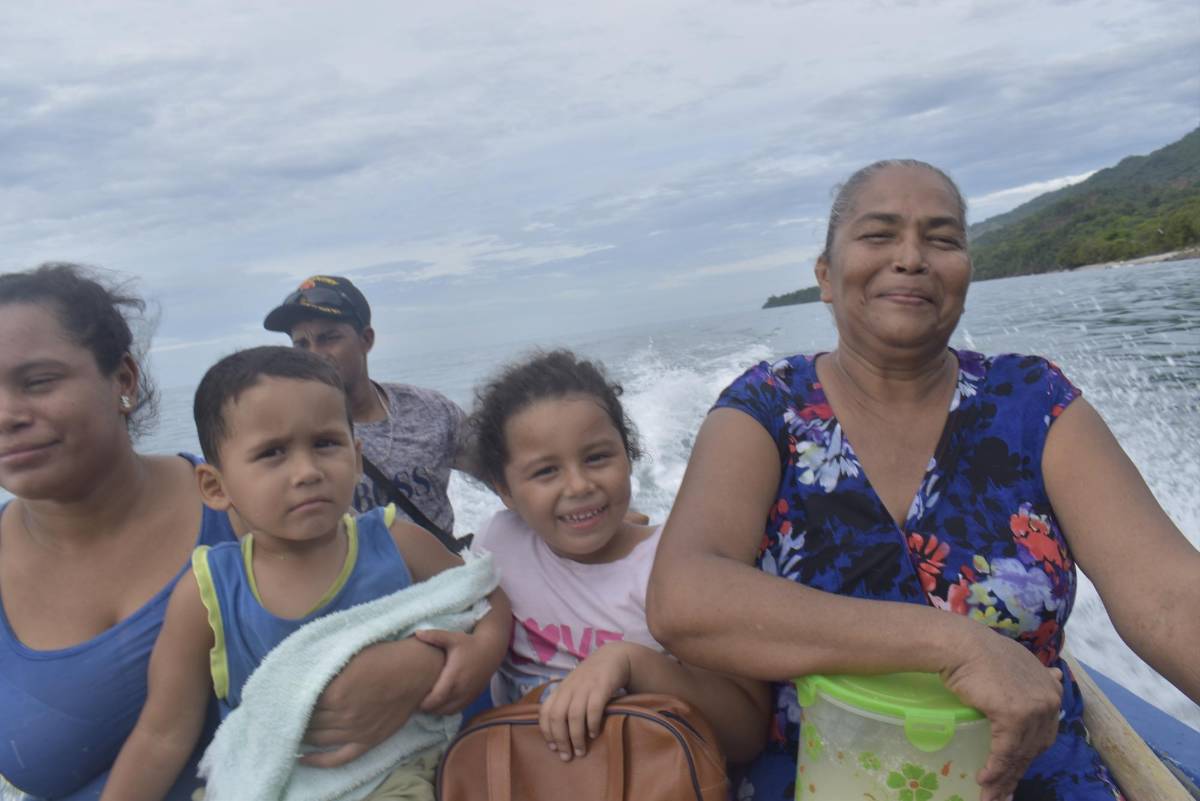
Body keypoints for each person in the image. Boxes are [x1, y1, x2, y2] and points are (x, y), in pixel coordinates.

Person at [645, 160, 1200, 801]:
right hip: (827, 773)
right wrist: (954, 645)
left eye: (942, 239)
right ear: (825, 275)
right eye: (879, 235)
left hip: (1029, 777)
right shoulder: (767, 409)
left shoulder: (1034, 401)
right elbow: (684, 596)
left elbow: (1166, 597)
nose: (912, 257)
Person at [100, 346, 511, 801]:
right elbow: (162, 735)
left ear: (356, 459)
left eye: (325, 444)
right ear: (216, 488)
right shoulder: (207, 593)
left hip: (394, 775)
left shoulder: (396, 543)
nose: (307, 471)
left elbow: (483, 594)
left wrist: (481, 656)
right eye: (272, 453)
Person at [0, 263, 237, 800]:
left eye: (37, 382)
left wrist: (411, 665)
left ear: (123, 379)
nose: (6, 414)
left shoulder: (248, 502)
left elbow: (426, 611)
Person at [466, 350, 770, 764]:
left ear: (628, 456)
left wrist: (630, 664)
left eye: (597, 458)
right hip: (524, 773)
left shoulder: (675, 566)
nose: (578, 485)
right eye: (545, 472)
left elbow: (745, 733)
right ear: (504, 490)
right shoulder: (499, 542)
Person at [263, 275, 469, 537]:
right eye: (301, 344)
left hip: (446, 574)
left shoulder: (429, 410)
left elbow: (505, 474)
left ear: (366, 340)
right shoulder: (286, 435)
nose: (314, 354)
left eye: (328, 338)